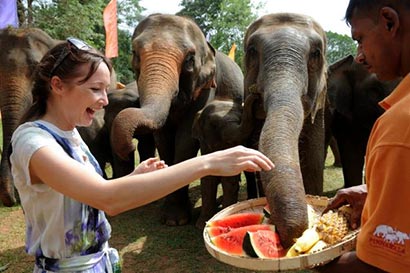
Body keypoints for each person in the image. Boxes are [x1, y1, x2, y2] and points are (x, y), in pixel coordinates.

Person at [9, 37, 275, 273]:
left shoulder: (69, 132)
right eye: (94, 89)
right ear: (57, 85)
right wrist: (208, 162)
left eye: (105, 89)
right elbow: (107, 199)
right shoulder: (33, 142)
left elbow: (91, 196)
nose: (104, 99)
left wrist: (134, 178)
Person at [315, 0, 410, 272]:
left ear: (389, 21)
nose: (358, 55)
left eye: (360, 39)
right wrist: (378, 191)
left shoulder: (400, 125)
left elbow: (381, 267)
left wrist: (310, 256)